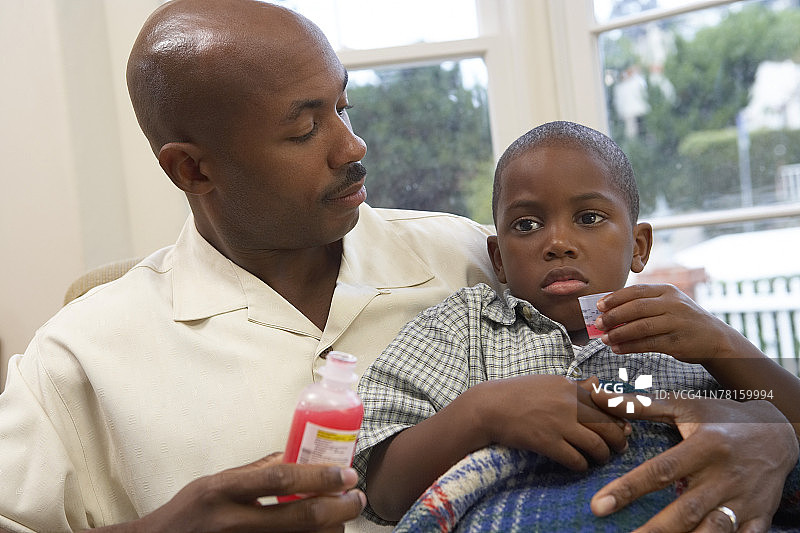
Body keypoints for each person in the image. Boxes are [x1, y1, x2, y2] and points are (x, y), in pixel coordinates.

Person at [0, 1, 794, 531]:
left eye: (343, 104)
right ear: (193, 170)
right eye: (305, 127)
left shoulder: (480, 264)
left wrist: (769, 432)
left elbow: (689, 395)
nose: (354, 145)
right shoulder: (79, 356)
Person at [354, 121, 800, 530]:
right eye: (527, 225)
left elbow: (785, 435)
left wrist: (724, 348)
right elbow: (382, 491)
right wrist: (482, 413)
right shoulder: (459, 328)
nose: (558, 243)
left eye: (589, 218)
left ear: (638, 246)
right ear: (498, 259)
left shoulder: (684, 333)